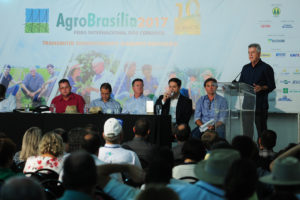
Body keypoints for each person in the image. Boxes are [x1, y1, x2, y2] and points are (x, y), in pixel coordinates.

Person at [239, 43, 276, 140]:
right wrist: (232, 88)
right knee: (247, 132)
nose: (250, 55)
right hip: (247, 106)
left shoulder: (266, 68)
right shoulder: (245, 68)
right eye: (249, 53)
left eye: (253, 52)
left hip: (260, 105)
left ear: (259, 54)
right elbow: (240, 85)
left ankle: (262, 152)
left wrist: (262, 87)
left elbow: (272, 85)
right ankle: (248, 152)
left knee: (262, 132)